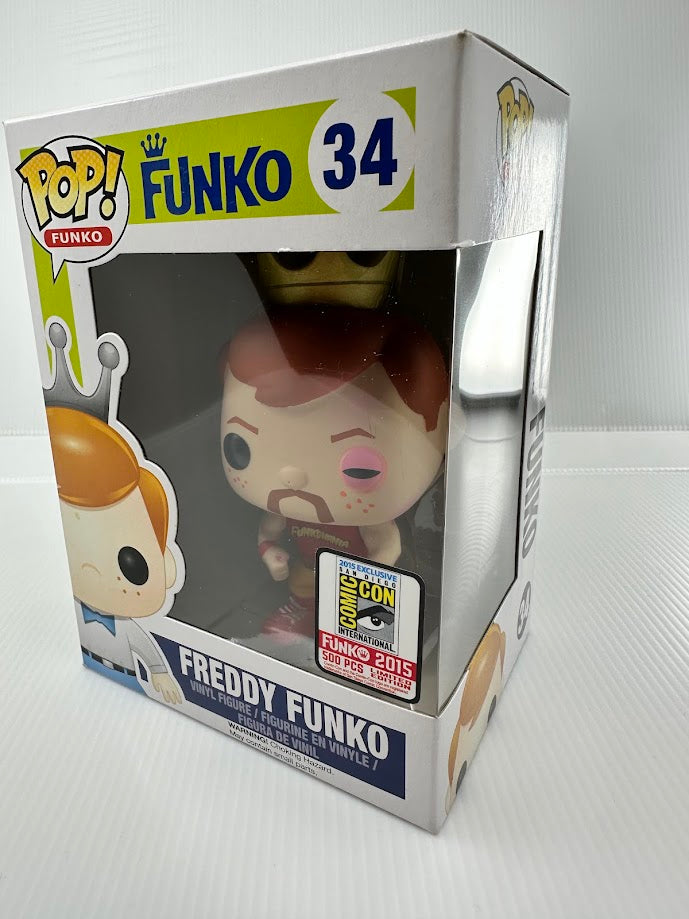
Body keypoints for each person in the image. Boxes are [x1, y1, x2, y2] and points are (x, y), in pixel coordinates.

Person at [221, 304, 449, 643]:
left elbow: (387, 549)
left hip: (354, 591)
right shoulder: (286, 507)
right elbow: (268, 532)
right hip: (307, 574)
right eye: (239, 449)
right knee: (303, 584)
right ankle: (302, 611)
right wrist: (270, 553)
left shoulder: (369, 521)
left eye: (360, 468)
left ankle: (353, 634)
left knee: (356, 619)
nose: (292, 476)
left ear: (442, 432)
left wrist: (366, 578)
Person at [47, 401, 183, 702]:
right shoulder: (83, 614)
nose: (91, 570)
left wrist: (159, 673)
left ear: (166, 565)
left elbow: (146, 648)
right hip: (93, 679)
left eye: (131, 564)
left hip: (132, 684)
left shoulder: (128, 628)